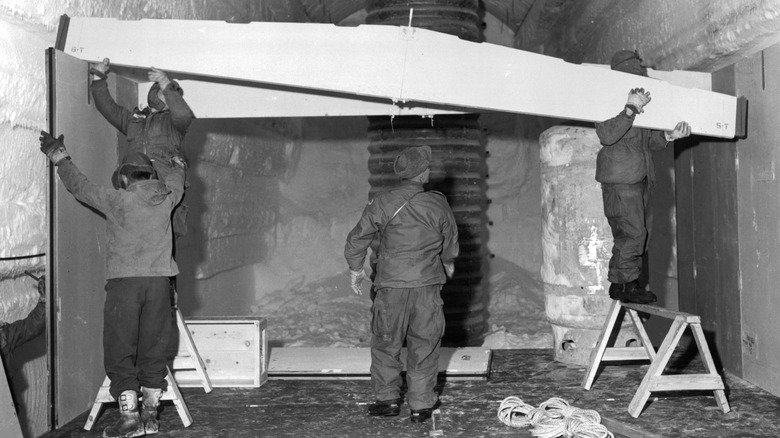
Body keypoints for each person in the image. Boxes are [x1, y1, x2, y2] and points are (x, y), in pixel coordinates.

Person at [39, 131, 185, 437]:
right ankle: (150, 416)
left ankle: (129, 420)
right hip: (160, 285)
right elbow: (177, 180)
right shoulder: (166, 198)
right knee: (153, 347)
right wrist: (178, 164)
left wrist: (60, 156)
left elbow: (81, 187)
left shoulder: (118, 200)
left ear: (124, 178)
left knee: (120, 348)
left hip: (125, 285)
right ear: (150, 175)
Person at [344, 145, 459, 423]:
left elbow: (356, 240)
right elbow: (451, 244)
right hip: (426, 287)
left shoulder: (383, 202)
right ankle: (421, 405)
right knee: (425, 345)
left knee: (386, 343)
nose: (429, 170)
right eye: (427, 167)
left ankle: (387, 400)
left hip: (390, 288)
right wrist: (446, 263)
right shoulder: (438, 204)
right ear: (422, 174)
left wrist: (356, 269)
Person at [596, 50, 692, 304]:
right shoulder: (607, 97)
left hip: (640, 178)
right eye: (635, 70)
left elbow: (648, 142)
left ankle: (621, 284)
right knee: (634, 233)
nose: (639, 74)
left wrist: (670, 136)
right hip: (621, 180)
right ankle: (629, 286)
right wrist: (629, 109)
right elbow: (606, 135)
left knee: (639, 234)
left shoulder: (639, 101)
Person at [89, 58, 194, 239]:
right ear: (153, 93)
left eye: (172, 95)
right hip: (133, 190)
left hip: (161, 194)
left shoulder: (175, 125)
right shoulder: (135, 119)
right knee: (130, 239)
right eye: (164, 92)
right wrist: (98, 77)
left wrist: (165, 83)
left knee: (159, 244)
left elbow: (183, 114)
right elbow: (108, 108)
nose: (169, 97)